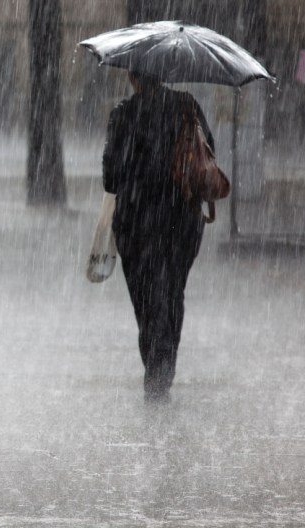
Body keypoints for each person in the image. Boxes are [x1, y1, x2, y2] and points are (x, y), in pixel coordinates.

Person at [102, 70, 216, 401]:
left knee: (146, 301)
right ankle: (163, 369)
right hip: (183, 217)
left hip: (137, 222)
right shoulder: (187, 106)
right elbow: (209, 154)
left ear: (133, 77)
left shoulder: (123, 115)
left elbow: (110, 179)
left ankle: (156, 369)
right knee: (172, 293)